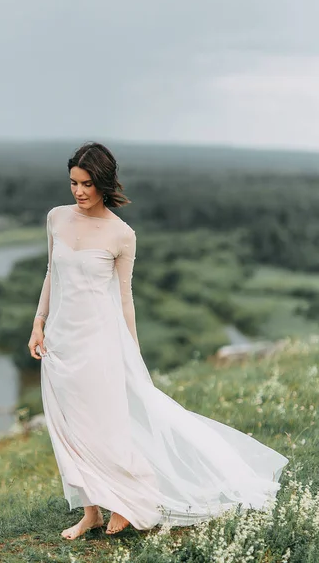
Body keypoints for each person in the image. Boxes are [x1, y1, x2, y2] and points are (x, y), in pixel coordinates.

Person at [28, 142, 289, 541]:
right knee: (69, 427)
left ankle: (129, 501)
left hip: (100, 342)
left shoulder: (121, 234)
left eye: (86, 184)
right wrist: (38, 322)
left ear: (103, 183)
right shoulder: (56, 218)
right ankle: (90, 512)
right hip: (60, 341)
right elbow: (52, 273)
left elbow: (125, 299)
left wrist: (131, 351)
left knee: (107, 423)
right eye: (72, 183)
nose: (78, 192)